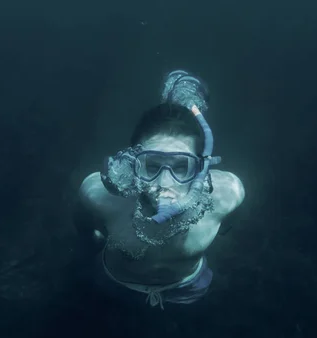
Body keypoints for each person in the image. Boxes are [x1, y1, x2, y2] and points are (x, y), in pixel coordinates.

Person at [75, 70, 245, 309]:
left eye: (182, 167)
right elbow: (83, 223)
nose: (164, 183)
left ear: (200, 169)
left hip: (189, 285)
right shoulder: (99, 196)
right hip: (115, 281)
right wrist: (92, 238)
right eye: (151, 165)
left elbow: (230, 221)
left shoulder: (226, 197)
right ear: (132, 164)